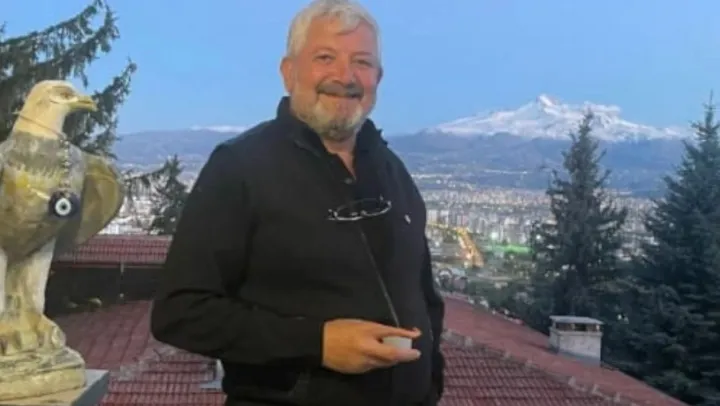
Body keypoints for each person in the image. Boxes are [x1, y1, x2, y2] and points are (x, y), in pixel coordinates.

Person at [150, 0, 445, 405]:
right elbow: (180, 312)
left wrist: (431, 384)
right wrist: (317, 343)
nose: (345, 76)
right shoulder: (240, 167)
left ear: (378, 77)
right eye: (325, 58)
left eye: (361, 62)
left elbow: (424, 296)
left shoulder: (391, 170)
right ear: (288, 72)